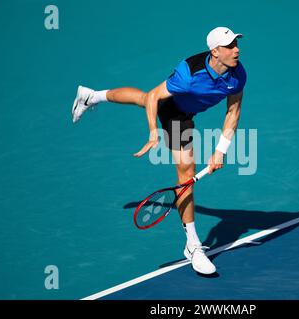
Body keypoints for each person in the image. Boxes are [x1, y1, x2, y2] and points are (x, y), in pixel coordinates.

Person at [71, 27, 246, 275]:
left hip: (189, 110)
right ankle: (193, 246)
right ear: (215, 51)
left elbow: (233, 112)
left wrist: (221, 150)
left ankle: (91, 96)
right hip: (172, 111)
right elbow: (155, 96)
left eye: (236, 44)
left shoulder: (238, 75)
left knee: (141, 99)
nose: (236, 49)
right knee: (186, 173)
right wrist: (153, 131)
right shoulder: (189, 74)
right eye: (230, 46)